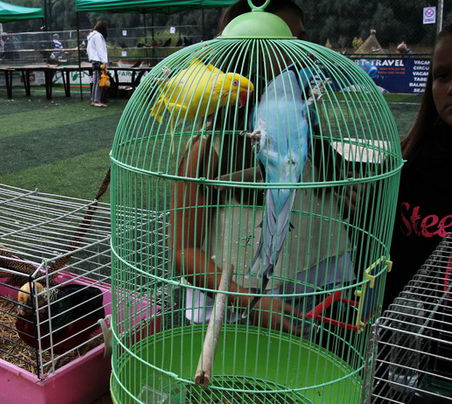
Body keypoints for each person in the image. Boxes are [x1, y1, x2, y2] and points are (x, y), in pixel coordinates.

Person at [168, 0, 354, 334]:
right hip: (237, 315)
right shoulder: (210, 144)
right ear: (241, 48)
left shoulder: (304, 130)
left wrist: (344, 190)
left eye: (301, 38)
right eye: (282, 39)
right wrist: (250, 301)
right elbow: (183, 250)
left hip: (312, 301)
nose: (303, 51)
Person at [384, 24, 452, 306]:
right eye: (442, 76)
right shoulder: (403, 163)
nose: (451, 88)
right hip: (403, 335)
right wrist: (360, 201)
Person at [87, 21, 108, 108]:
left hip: (93, 60)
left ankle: (94, 99)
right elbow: (100, 50)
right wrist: (105, 61)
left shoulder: (91, 36)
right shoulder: (98, 36)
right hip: (98, 61)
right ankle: (97, 100)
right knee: (99, 81)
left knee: (96, 81)